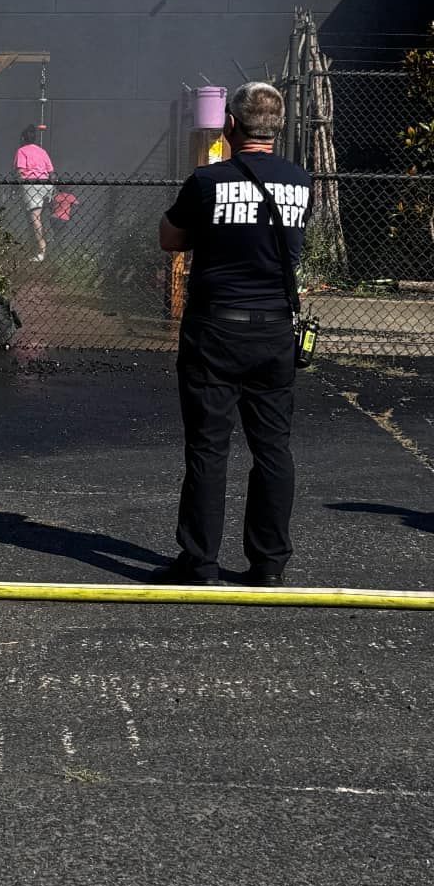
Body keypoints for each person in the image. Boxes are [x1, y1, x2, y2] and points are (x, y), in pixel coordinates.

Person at [157, 80, 310, 586]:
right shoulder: (300, 182)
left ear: (230, 125)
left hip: (215, 329)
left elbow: (170, 237)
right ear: (278, 128)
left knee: (208, 448)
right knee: (273, 448)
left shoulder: (207, 181)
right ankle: (269, 563)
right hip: (274, 332)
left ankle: (199, 561)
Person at [15, 126, 54, 262]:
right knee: (41, 217)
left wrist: (17, 187)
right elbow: (51, 171)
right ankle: (40, 245)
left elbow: (21, 171)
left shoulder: (21, 151)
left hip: (32, 184)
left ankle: (41, 250)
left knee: (34, 218)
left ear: (23, 138)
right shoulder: (42, 151)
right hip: (46, 184)